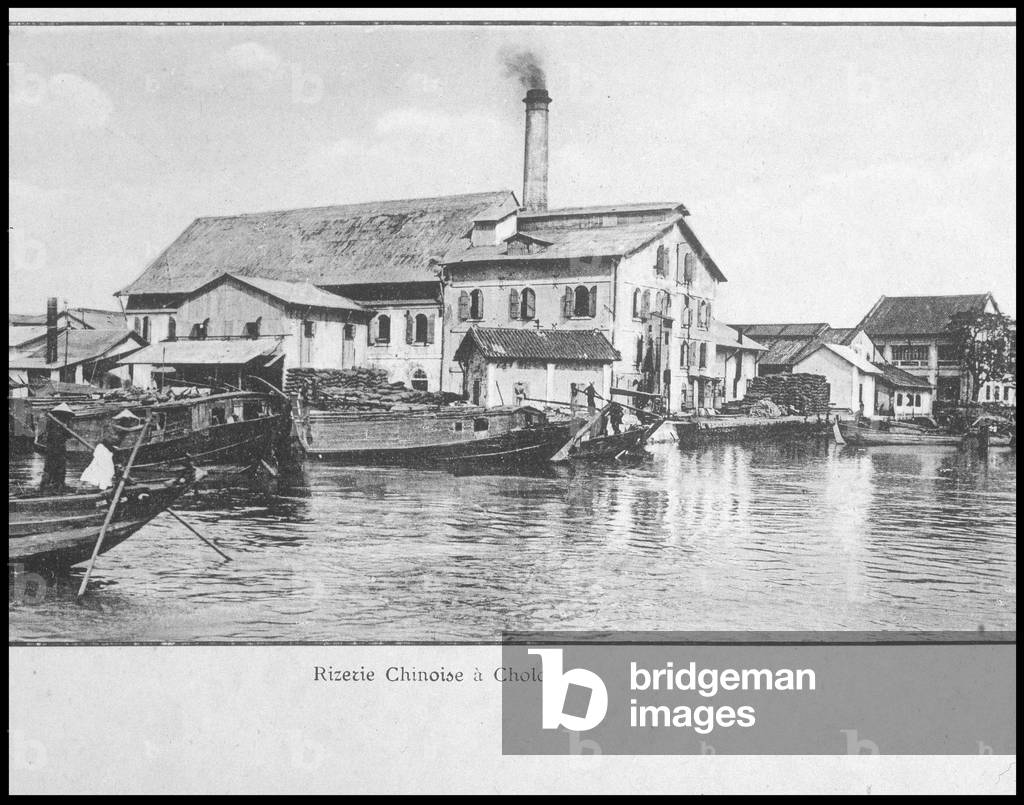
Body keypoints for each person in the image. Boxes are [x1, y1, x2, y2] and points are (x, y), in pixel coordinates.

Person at [40, 403, 75, 494]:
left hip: (59, 447)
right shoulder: (51, 421)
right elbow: (46, 433)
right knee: (51, 467)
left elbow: (69, 435)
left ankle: (57, 486)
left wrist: (66, 427)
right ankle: (46, 486)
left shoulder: (65, 422)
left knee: (58, 467)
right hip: (53, 447)